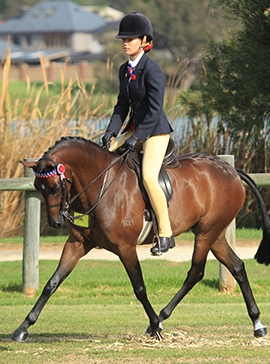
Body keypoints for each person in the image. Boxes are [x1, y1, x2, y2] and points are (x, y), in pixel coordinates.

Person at [101, 12, 175, 255]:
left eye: (130, 39)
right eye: (123, 39)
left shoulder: (152, 70)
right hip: (133, 130)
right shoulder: (125, 69)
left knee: (148, 178)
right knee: (104, 159)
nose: (125, 43)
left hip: (155, 132)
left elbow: (155, 110)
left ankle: (165, 233)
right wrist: (111, 131)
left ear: (144, 40)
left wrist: (136, 138)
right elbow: (122, 105)